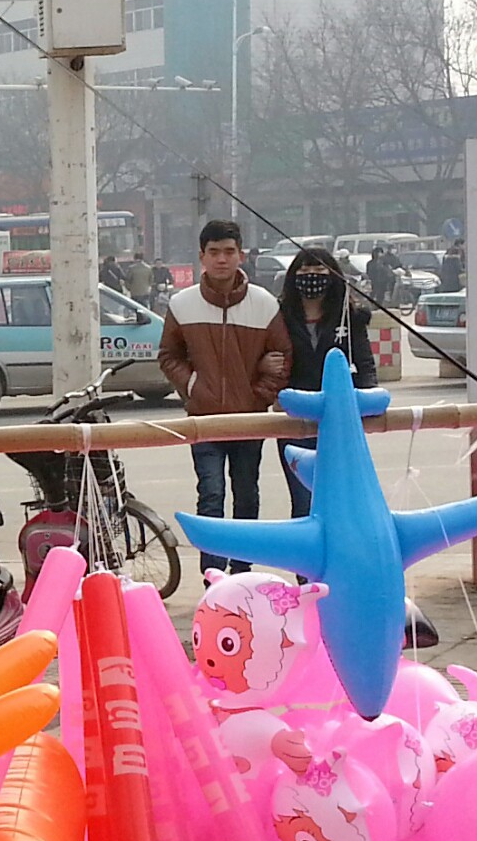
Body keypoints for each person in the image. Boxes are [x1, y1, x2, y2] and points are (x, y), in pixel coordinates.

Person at [157, 218, 290, 576]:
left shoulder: (264, 305)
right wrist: (193, 387)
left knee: (247, 495)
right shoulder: (182, 304)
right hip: (204, 421)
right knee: (211, 496)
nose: (221, 259)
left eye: (228, 252)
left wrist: (258, 395)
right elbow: (169, 355)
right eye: (213, 252)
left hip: (249, 420)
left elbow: (283, 357)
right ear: (202, 256)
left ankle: (242, 572)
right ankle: (212, 575)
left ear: (240, 255)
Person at [275, 245, 376, 518]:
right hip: (294, 420)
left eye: (319, 268)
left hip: (340, 420)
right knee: (303, 499)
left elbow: (365, 364)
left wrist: (367, 403)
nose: (311, 274)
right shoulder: (278, 315)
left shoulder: (350, 316)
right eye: (304, 268)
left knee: (343, 499)